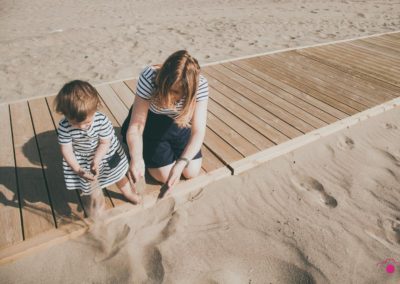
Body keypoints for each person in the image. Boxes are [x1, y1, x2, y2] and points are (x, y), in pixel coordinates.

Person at [122, 50, 209, 193]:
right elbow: (137, 125)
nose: (168, 97)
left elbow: (198, 131)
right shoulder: (149, 76)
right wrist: (136, 158)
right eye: (166, 88)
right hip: (151, 121)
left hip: (179, 122)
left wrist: (180, 164)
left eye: (175, 92)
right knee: (164, 175)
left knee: (191, 171)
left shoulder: (200, 86)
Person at [55, 80, 141, 216]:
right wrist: (77, 169)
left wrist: (96, 159)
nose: (83, 127)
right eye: (76, 123)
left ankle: (128, 192)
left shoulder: (101, 120)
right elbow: (66, 149)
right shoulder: (65, 126)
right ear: (65, 114)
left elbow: (104, 143)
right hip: (82, 160)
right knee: (92, 185)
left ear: (95, 110)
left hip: (106, 154)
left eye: (87, 122)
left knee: (118, 175)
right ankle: (99, 205)